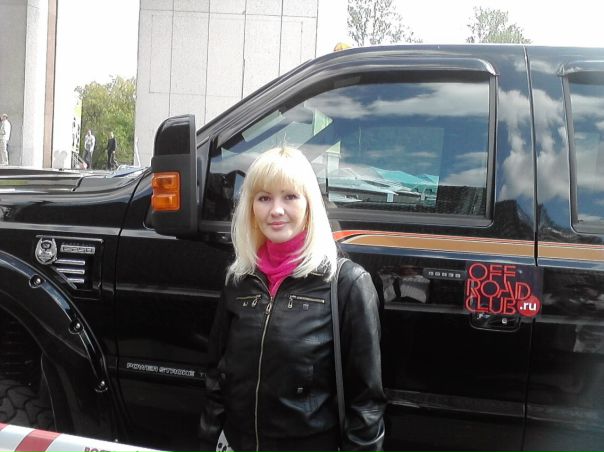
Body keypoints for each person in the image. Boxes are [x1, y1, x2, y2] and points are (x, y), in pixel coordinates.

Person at [199, 147, 385, 452]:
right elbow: (217, 378)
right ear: (251, 207)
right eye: (264, 198)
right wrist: (208, 440)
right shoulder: (239, 279)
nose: (276, 210)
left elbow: (366, 404)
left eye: (290, 196)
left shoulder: (347, 284)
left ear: (309, 204)